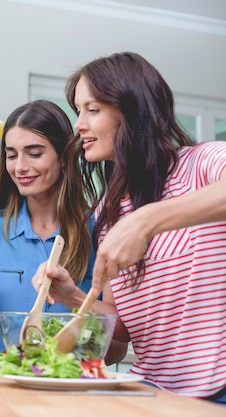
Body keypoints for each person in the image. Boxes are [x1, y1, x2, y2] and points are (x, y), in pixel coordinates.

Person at [33, 51, 226, 403]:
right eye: (79, 110)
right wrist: (72, 295)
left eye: (92, 109)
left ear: (134, 110)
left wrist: (146, 220)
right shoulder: (111, 211)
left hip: (215, 391)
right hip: (148, 389)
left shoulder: (202, 163)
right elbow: (126, 326)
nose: (79, 124)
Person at [0, 100, 110, 355]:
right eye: (11, 155)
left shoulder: (100, 230)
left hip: (71, 385)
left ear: (64, 157)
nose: (19, 166)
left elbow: (116, 348)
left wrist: (75, 300)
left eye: (34, 153)